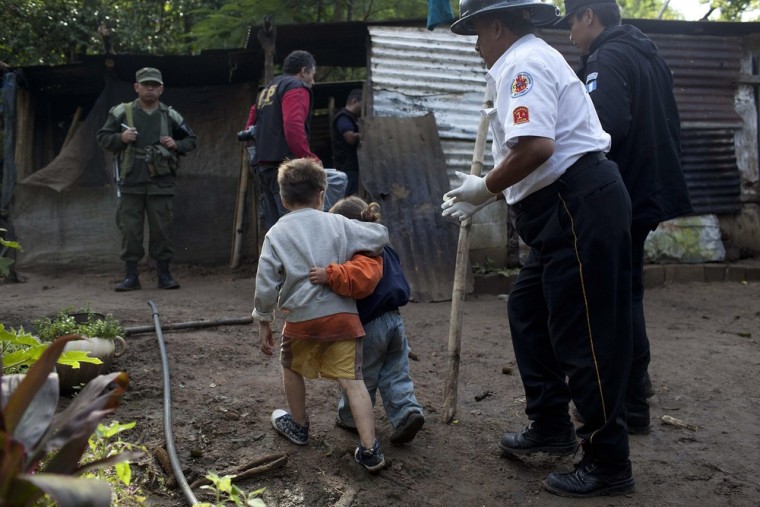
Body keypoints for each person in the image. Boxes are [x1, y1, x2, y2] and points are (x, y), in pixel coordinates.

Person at [442, 0, 635, 498]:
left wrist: (483, 188)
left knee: (584, 334)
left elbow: (536, 147)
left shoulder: (522, 64)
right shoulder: (526, 60)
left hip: (575, 203)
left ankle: (607, 460)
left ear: (498, 26)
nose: (477, 47)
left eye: (477, 35)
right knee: (528, 308)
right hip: (564, 209)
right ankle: (550, 424)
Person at [554, 0, 693, 435]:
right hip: (650, 186)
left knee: (613, 298)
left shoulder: (608, 55)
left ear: (589, 16)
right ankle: (636, 397)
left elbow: (605, 122)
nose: (571, 35)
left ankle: (629, 398)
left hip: (624, 191)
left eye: (572, 23)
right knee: (628, 292)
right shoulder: (646, 51)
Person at [252, 158, 389, 472]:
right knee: (353, 381)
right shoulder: (338, 223)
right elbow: (379, 237)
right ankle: (370, 450)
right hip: (342, 319)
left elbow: (266, 281)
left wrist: (263, 319)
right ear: (321, 194)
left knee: (290, 366)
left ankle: (299, 426)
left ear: (284, 199)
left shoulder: (276, 232)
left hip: (300, 320)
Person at [309, 196, 425, 445]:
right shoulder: (384, 246)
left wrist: (328, 276)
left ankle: (350, 418)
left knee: (362, 375)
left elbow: (358, 281)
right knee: (396, 371)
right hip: (395, 320)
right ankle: (407, 411)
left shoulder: (359, 251)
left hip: (370, 325)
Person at [97, 67, 197, 292]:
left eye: (154, 85)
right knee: (130, 231)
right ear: (137, 87)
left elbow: (191, 140)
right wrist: (120, 137)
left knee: (161, 230)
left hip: (160, 183)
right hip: (130, 182)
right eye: (145, 84)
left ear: (161, 89)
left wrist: (176, 144)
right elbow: (102, 137)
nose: (150, 88)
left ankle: (164, 275)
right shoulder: (121, 112)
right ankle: (131, 277)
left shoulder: (170, 115)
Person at [244, 50, 321, 232]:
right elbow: (293, 125)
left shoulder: (267, 90)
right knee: (293, 227)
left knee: (275, 228)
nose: (313, 81)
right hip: (285, 168)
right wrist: (307, 157)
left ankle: (274, 261)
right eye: (312, 74)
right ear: (304, 71)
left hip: (263, 165)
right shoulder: (295, 87)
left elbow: (249, 127)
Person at [331, 89, 362, 196]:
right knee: (348, 197)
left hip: (352, 166)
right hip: (347, 167)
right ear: (354, 101)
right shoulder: (343, 117)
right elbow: (350, 138)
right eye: (362, 104)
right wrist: (365, 135)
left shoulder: (352, 118)